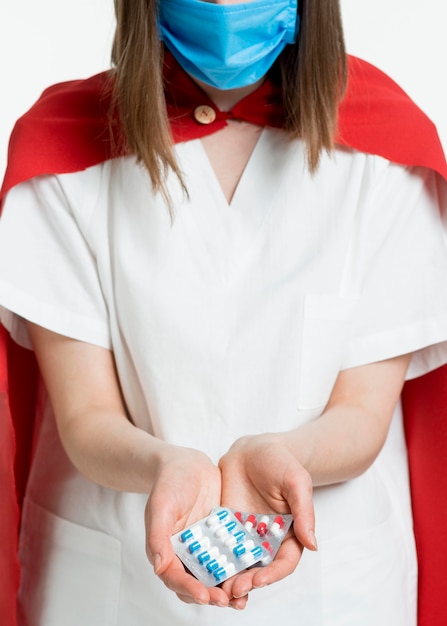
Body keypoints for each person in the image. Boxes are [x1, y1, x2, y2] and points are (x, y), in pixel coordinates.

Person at [0, 0, 447, 624]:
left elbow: (363, 411)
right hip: (114, 586)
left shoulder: (388, 149)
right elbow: (85, 414)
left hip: (336, 589)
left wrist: (291, 456)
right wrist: (165, 464)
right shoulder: (62, 148)